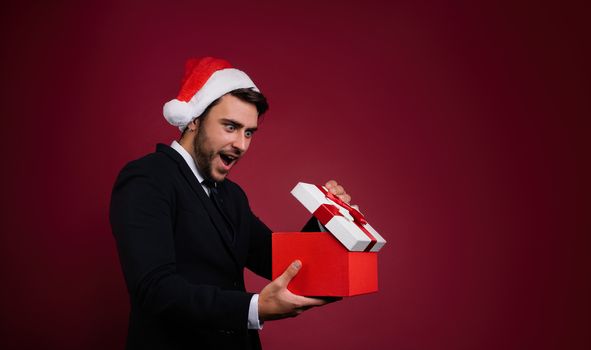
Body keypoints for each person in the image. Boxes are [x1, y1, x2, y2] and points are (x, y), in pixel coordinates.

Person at [110, 57, 353, 350]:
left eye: (249, 132)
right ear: (194, 119)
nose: (242, 144)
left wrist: (325, 218)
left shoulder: (232, 195)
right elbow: (154, 290)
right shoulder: (148, 178)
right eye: (231, 127)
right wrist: (255, 308)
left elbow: (277, 259)